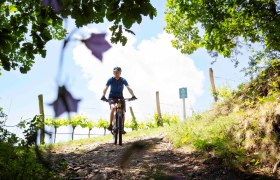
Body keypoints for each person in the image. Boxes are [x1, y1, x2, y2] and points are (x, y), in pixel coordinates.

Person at [101, 67, 137, 134]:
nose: (116, 74)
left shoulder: (123, 80)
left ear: (120, 73)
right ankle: (110, 125)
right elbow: (106, 88)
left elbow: (128, 87)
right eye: (114, 72)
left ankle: (122, 128)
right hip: (112, 97)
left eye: (117, 72)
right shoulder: (110, 80)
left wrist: (133, 95)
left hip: (120, 97)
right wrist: (103, 96)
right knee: (113, 108)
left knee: (123, 112)